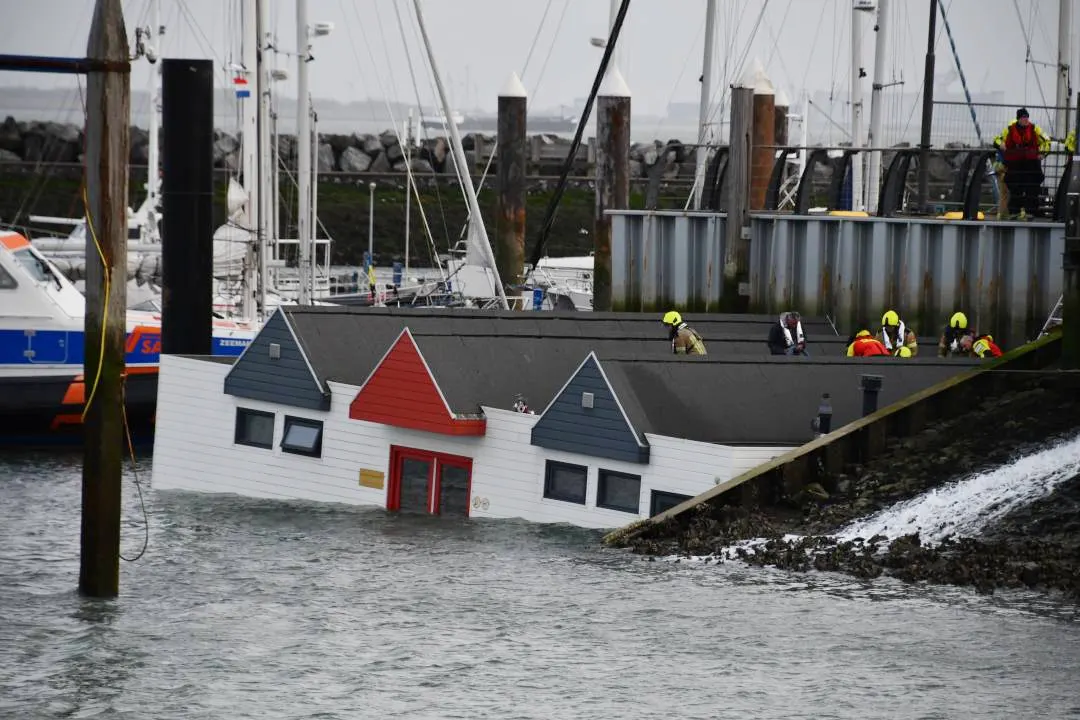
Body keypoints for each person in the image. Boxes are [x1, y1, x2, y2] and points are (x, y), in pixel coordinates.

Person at [993, 108, 1051, 219]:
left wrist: (1042, 153)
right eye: (1023, 117)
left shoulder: (1035, 129)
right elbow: (996, 140)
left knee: (1032, 189)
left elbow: (1046, 141)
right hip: (1015, 165)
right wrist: (1001, 145)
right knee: (1015, 189)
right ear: (1018, 118)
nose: (1025, 119)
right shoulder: (1010, 129)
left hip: (1031, 164)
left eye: (1026, 117)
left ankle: (1031, 212)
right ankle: (1014, 212)